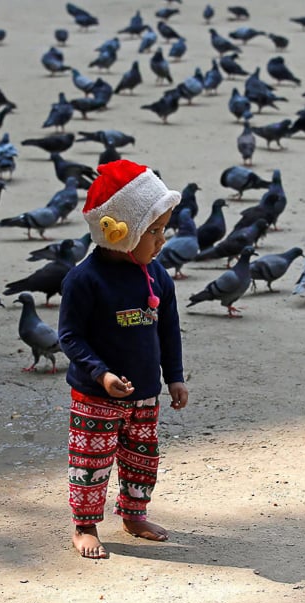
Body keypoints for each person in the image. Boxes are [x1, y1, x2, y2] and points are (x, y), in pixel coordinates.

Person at [58, 159, 189, 559]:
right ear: (120, 232)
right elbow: (70, 337)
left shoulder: (157, 275)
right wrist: (101, 375)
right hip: (96, 398)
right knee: (91, 462)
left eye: (163, 229)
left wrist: (175, 377)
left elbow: (168, 328)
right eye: (153, 231)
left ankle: (134, 514)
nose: (162, 240)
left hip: (145, 394)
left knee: (142, 460)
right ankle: (85, 525)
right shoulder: (84, 279)